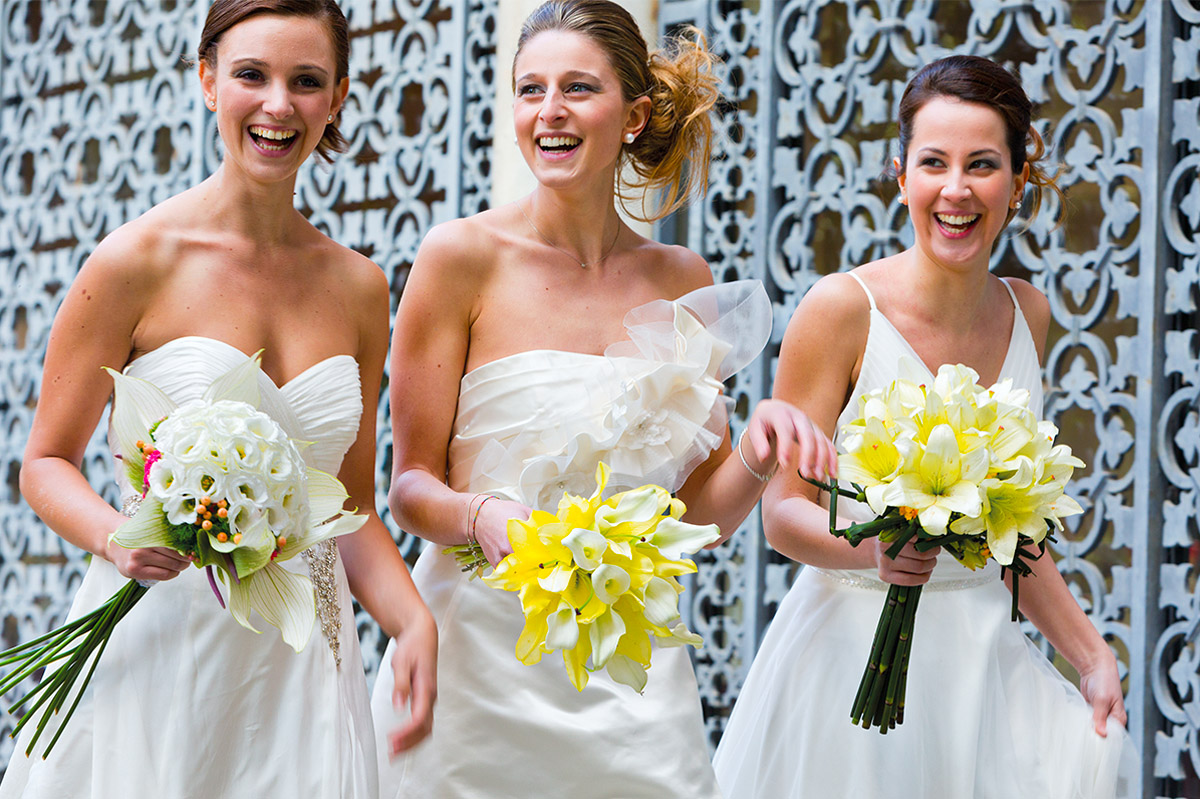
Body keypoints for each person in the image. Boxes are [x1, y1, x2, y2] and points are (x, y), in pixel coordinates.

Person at [368, 2, 835, 796]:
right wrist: (485, 517)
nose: (548, 112)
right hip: (478, 668)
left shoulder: (681, 279)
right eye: (529, 90)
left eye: (577, 88)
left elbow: (698, 520)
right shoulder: (458, 260)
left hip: (633, 677)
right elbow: (409, 487)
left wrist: (757, 450)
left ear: (634, 115)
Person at [0, 1, 436, 796]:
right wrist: (113, 538)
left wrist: (412, 619)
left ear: (335, 97)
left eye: (306, 81)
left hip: (302, 660)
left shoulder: (361, 288)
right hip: (164, 634)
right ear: (207, 81)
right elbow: (44, 462)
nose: (279, 105)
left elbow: (353, 507)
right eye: (251, 75)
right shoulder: (135, 261)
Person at [711, 54, 1138, 798]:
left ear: (1017, 178)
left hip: (981, 665)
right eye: (934, 163)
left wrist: (1091, 653)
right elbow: (782, 516)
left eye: (983, 164)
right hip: (850, 660)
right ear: (901, 173)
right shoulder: (840, 310)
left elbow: (1013, 535)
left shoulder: (1028, 312)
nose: (957, 190)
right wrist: (871, 549)